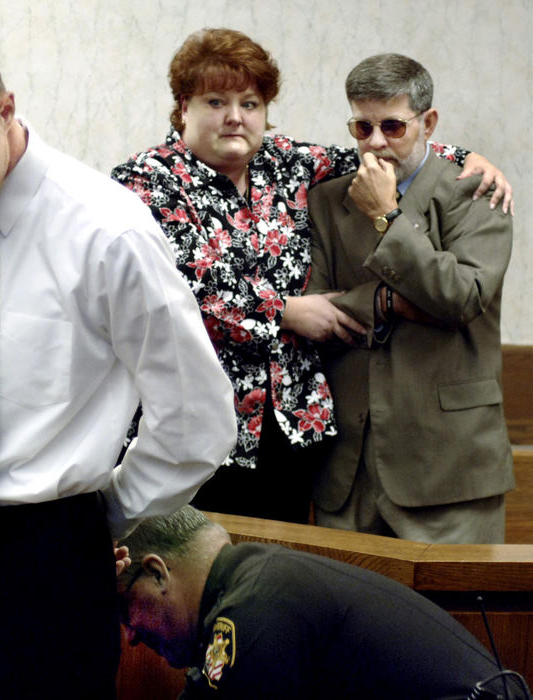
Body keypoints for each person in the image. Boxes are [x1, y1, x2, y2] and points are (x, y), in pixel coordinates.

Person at [0, 24, 236, 699]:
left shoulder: (108, 229)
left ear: (6, 111)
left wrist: (102, 515)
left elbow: (196, 419)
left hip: (48, 554)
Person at [111, 28, 512, 525]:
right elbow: (173, 292)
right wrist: (282, 312)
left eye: (251, 103)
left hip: (297, 428)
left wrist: (465, 157)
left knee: (279, 581)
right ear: (182, 107)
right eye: (216, 101)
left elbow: (383, 150)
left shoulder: (288, 163)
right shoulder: (145, 181)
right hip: (195, 424)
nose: (235, 116)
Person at [306, 53, 513, 544]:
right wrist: (385, 301)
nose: (376, 142)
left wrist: (386, 217)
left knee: (450, 620)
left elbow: (461, 297)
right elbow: (319, 306)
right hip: (349, 472)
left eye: (393, 126)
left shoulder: (476, 193)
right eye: (363, 127)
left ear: (428, 123)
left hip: (450, 470)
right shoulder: (328, 199)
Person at [116, 505, 529, 699]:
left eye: (124, 610)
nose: (131, 635)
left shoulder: (253, 608)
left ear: (157, 573)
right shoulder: (252, 586)